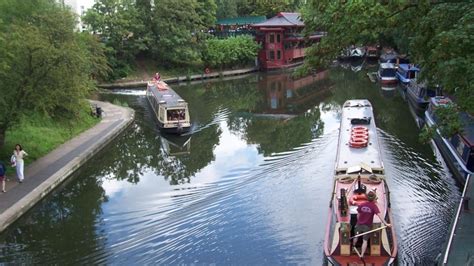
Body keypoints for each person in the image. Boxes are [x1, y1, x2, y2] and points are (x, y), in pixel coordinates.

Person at [352, 190, 391, 258]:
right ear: (373, 198)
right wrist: (386, 224)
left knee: (356, 236)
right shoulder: (374, 206)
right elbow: (380, 216)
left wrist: (358, 222)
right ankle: (361, 255)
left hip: (359, 225)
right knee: (365, 240)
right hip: (367, 227)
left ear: (367, 197)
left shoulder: (362, 205)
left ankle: (353, 246)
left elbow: (358, 215)